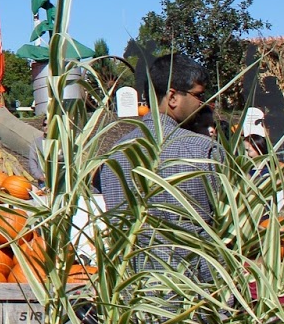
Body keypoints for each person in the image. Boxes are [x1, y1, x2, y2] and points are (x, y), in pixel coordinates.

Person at [95, 53, 221, 270]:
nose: (202, 103)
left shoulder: (116, 154)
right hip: (195, 289)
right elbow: (228, 221)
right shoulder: (204, 150)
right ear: (173, 97)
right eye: (198, 95)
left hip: (133, 288)